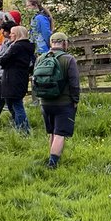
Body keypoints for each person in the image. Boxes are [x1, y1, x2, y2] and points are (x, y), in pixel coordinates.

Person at [35, 31, 80, 169]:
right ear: (65, 43)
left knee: (52, 132)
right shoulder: (69, 59)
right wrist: (75, 99)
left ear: (51, 43)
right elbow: (74, 82)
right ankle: (52, 163)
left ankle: (51, 157)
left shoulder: (40, 58)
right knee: (60, 133)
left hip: (45, 102)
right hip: (64, 102)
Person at [0, 24, 35, 134]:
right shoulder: (28, 47)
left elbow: (3, 61)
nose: (10, 35)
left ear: (18, 34)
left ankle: (24, 130)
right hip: (20, 77)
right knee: (14, 104)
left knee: (17, 105)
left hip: (12, 79)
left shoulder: (16, 47)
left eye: (13, 33)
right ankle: (21, 128)